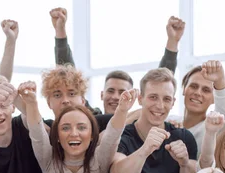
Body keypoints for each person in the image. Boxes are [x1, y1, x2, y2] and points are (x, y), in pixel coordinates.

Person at [20, 80, 134, 173]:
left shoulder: (100, 159)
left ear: (91, 136)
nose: (74, 133)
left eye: (81, 127)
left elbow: (113, 134)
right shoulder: (48, 159)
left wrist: (122, 110)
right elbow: (37, 131)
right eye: (65, 128)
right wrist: (32, 103)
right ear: (57, 136)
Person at [50, 8, 180, 115]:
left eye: (122, 92)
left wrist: (173, 41)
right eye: (111, 91)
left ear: (134, 98)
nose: (116, 97)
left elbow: (160, 82)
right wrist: (60, 30)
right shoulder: (90, 117)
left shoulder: (135, 124)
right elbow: (68, 78)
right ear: (102, 95)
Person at [110, 67, 198, 173]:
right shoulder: (124, 135)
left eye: (166, 99)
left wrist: (184, 164)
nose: (160, 106)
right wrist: (145, 149)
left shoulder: (183, 136)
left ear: (173, 102)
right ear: (140, 98)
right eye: (153, 97)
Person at [168, 61, 225, 151]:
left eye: (206, 90)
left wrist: (220, 80)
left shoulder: (212, 128)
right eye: (194, 86)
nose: (198, 93)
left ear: (213, 99)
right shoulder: (169, 122)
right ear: (184, 89)